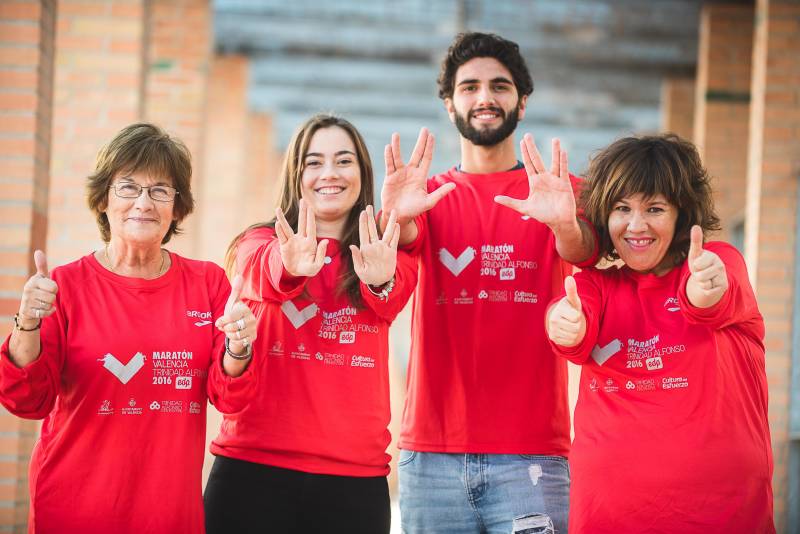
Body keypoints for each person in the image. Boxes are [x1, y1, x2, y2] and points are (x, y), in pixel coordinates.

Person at [380, 32, 596, 533]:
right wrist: (400, 221)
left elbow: (584, 249)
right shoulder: (425, 198)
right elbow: (400, 259)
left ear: (522, 102)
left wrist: (564, 225)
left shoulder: (558, 194)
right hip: (431, 459)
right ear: (449, 103)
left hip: (532, 460)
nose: (484, 98)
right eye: (469, 86)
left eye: (499, 86)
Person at [0, 123, 258, 533]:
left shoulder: (208, 285)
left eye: (160, 190)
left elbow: (229, 398)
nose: (144, 202)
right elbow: (26, 400)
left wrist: (240, 347)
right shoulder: (64, 286)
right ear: (103, 199)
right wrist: (27, 322)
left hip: (168, 514)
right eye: (128, 187)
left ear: (177, 206)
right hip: (72, 508)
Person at [546, 134, 775, 532]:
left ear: (682, 214)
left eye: (654, 208)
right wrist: (563, 325)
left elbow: (710, 296)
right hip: (606, 519)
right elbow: (571, 321)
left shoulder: (718, 262)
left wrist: (705, 290)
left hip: (723, 518)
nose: (636, 225)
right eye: (622, 208)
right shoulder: (596, 285)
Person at [203, 114, 416, 534]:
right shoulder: (259, 242)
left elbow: (392, 293)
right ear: (295, 175)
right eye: (313, 162)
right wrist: (290, 264)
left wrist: (380, 277)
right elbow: (262, 270)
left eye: (343, 161)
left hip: (353, 482)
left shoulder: (387, 256)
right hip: (252, 471)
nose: (330, 174)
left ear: (362, 173)